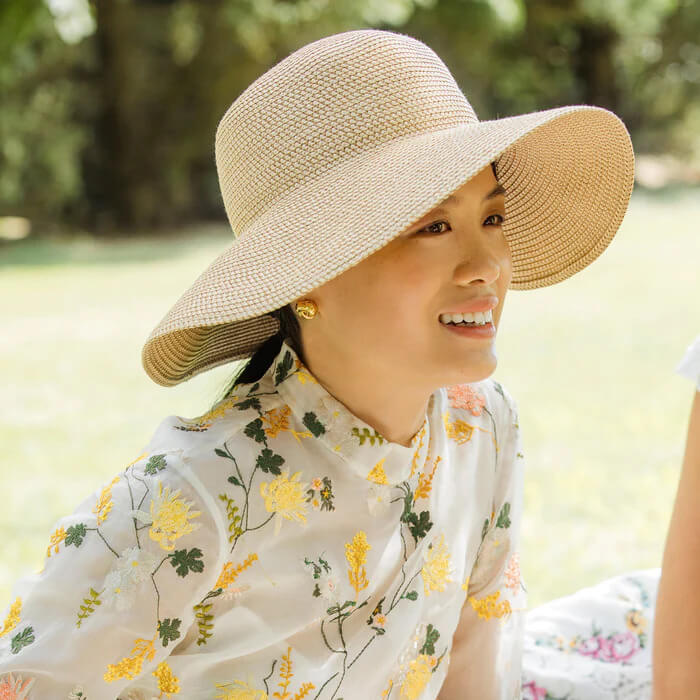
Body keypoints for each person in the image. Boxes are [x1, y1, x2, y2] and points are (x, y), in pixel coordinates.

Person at [0, 29, 637, 700]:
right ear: (307, 275)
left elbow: (475, 652)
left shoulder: (482, 427)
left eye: (495, 217)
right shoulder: (189, 499)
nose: (486, 267)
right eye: (433, 226)